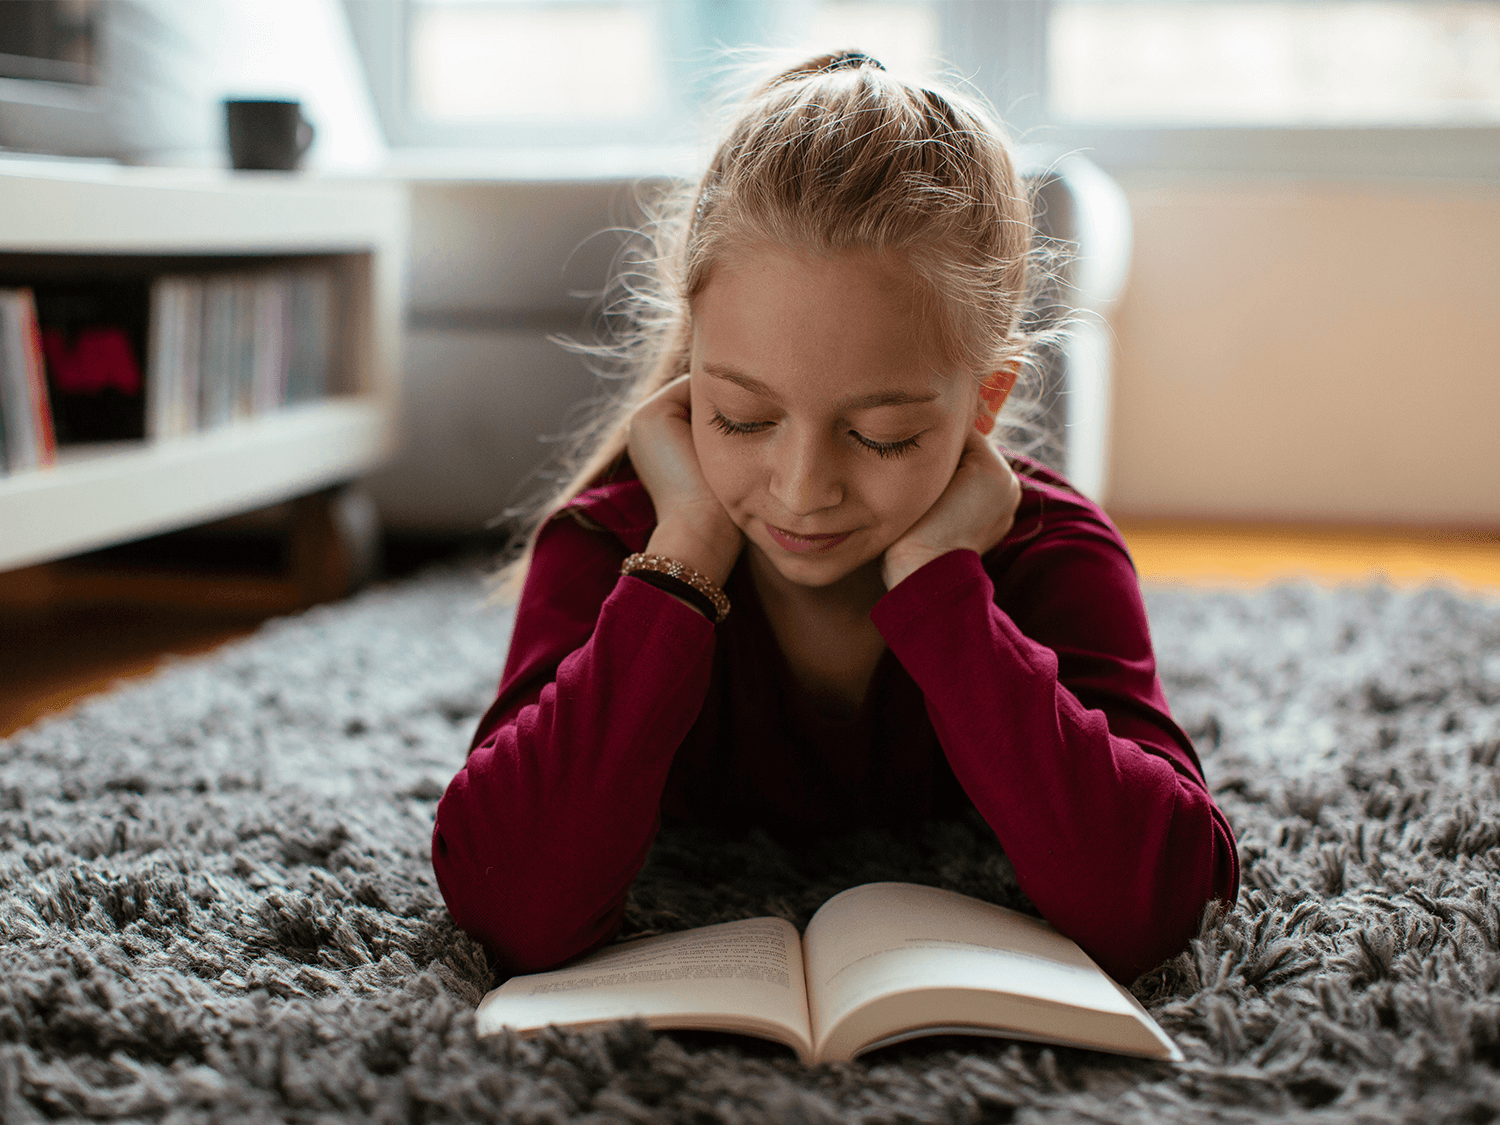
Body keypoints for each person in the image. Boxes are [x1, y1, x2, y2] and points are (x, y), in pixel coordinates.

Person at [432, 51, 1239, 986]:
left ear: (985, 402)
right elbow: (511, 905)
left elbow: (1162, 904)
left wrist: (944, 591)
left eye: (882, 433)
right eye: (743, 417)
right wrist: (685, 555)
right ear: (695, 369)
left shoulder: (1052, 559)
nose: (803, 487)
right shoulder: (616, 548)